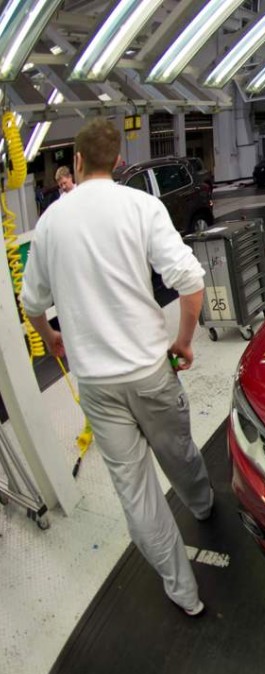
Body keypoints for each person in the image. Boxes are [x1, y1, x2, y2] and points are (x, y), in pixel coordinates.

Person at [21, 118, 214, 616]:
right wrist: (184, 343)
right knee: (178, 451)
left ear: (78, 163)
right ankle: (203, 505)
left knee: (136, 492)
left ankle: (183, 591)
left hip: (98, 386)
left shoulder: (50, 224)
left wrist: (52, 338)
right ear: (118, 161)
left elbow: (33, 302)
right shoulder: (140, 206)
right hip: (151, 369)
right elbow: (190, 284)